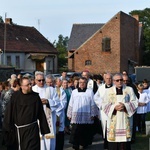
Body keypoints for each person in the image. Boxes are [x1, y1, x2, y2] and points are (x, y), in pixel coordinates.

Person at [2, 77, 50, 150]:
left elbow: (41, 114)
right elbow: (9, 113)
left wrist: (44, 129)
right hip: (20, 131)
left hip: (32, 130)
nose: (30, 86)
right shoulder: (15, 97)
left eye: (30, 84)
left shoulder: (35, 97)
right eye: (27, 85)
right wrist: (7, 130)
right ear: (22, 86)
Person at [101, 73, 138, 150]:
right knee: (113, 143)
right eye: (117, 80)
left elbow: (135, 102)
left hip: (125, 119)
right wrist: (114, 108)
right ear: (114, 81)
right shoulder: (109, 91)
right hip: (114, 120)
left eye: (121, 80)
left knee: (124, 144)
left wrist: (125, 106)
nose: (120, 82)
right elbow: (104, 104)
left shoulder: (129, 90)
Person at [32, 71, 62, 150]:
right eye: (39, 80)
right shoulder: (32, 90)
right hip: (37, 118)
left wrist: (48, 101)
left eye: (43, 80)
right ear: (35, 80)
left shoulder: (51, 90)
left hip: (49, 117)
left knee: (49, 140)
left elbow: (58, 103)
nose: (41, 82)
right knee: (39, 139)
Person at [67, 77, 99, 150]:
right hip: (76, 114)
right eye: (80, 82)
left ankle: (84, 143)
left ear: (86, 84)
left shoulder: (90, 92)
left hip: (86, 114)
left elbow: (92, 103)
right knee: (75, 130)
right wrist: (69, 114)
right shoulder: (74, 92)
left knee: (85, 130)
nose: (82, 84)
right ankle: (75, 144)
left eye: (84, 83)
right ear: (78, 83)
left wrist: (93, 114)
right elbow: (71, 103)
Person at [94, 73, 113, 149]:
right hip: (104, 112)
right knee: (105, 128)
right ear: (104, 79)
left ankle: (112, 144)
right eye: (107, 78)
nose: (108, 80)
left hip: (113, 111)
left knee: (112, 128)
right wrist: (102, 105)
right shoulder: (101, 88)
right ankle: (106, 145)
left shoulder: (115, 87)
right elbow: (96, 98)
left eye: (110, 78)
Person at [55, 78, 67, 150]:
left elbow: (63, 103)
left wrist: (56, 111)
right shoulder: (48, 90)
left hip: (59, 114)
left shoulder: (61, 91)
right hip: (49, 115)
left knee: (59, 132)